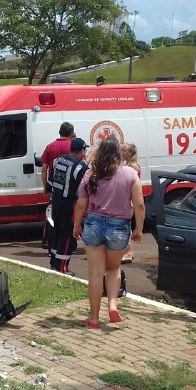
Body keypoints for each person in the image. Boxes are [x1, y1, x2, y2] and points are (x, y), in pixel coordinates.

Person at [73, 137, 144, 329]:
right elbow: (139, 204)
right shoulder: (130, 174)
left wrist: (76, 226)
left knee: (95, 274)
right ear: (118, 155)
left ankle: (94, 318)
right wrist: (138, 228)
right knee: (113, 269)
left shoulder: (90, 175)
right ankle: (112, 304)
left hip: (93, 224)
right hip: (119, 227)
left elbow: (81, 205)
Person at [48, 138, 90, 274]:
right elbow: (88, 182)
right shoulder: (80, 167)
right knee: (67, 235)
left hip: (56, 201)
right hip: (69, 204)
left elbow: (50, 180)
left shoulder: (58, 160)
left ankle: (54, 263)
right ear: (83, 151)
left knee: (58, 231)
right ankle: (62, 268)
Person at [39, 122, 74, 248]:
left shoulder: (50, 146)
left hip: (54, 186)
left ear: (59, 132)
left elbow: (44, 168)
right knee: (69, 217)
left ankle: (48, 239)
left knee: (51, 214)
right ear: (71, 133)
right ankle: (68, 243)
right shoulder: (72, 146)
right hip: (70, 187)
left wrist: (45, 186)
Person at [119, 142, 141, 263]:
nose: (121, 152)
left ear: (130, 153)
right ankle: (129, 252)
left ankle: (128, 253)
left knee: (127, 226)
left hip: (131, 200)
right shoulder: (128, 165)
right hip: (128, 199)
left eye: (123, 150)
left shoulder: (132, 166)